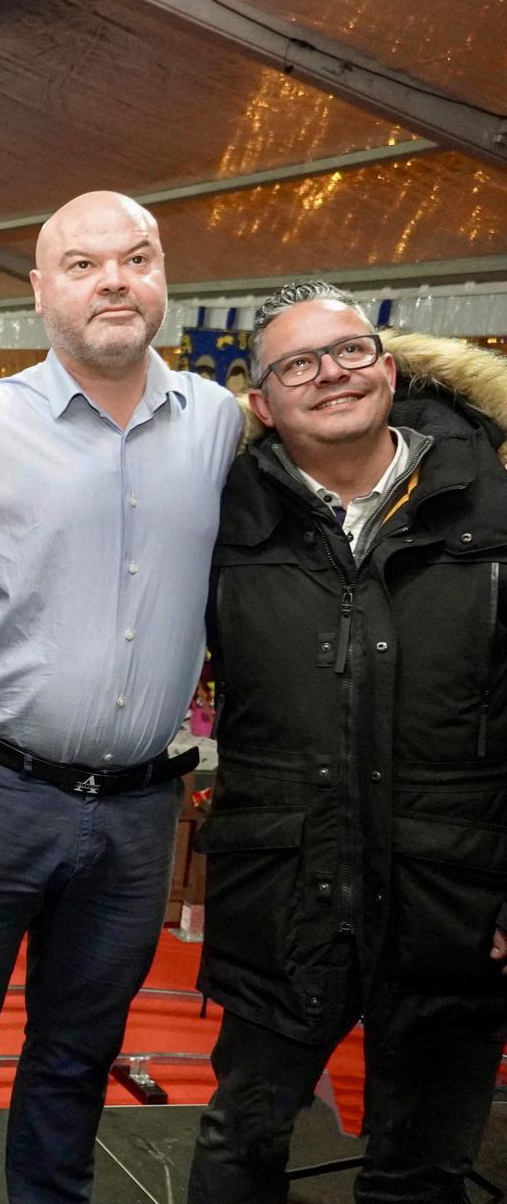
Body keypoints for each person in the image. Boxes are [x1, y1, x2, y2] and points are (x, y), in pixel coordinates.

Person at [0, 191, 241, 1203]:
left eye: (137, 258)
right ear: (41, 292)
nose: (115, 281)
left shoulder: (218, 426)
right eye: (83, 265)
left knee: (80, 1048)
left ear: (164, 275)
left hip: (139, 810)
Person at [189, 285, 507, 1201]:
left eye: (350, 351)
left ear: (390, 367)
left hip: (453, 893)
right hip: (285, 887)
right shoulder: (223, 520)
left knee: (422, 1169)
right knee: (241, 1143)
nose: (330, 374)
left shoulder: (493, 501)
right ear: (262, 404)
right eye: (298, 364)